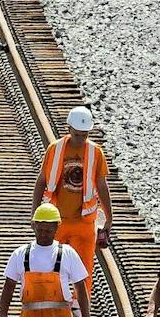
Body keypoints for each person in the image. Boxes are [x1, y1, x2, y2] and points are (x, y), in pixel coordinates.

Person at [34, 106, 113, 284]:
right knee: (51, 269)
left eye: (84, 135)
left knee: (83, 272)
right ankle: (55, 298)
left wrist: (109, 218)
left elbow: (102, 185)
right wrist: (35, 214)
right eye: (77, 135)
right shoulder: (55, 149)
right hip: (56, 221)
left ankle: (81, 302)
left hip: (84, 222)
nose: (80, 139)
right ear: (68, 129)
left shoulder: (95, 152)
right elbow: (41, 181)